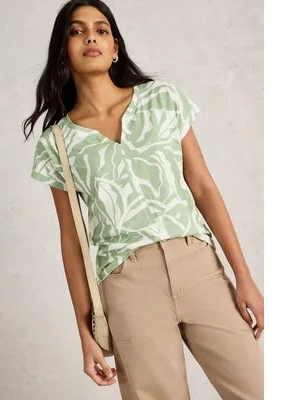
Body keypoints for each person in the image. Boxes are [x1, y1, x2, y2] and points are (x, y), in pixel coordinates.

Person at [23, 1, 264, 399]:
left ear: (115, 47)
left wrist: (244, 277)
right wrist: (85, 334)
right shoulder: (59, 143)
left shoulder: (162, 100)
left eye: (101, 30)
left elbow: (202, 186)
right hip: (128, 286)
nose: (90, 37)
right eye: (77, 31)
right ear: (63, 50)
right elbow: (72, 241)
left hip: (198, 265)